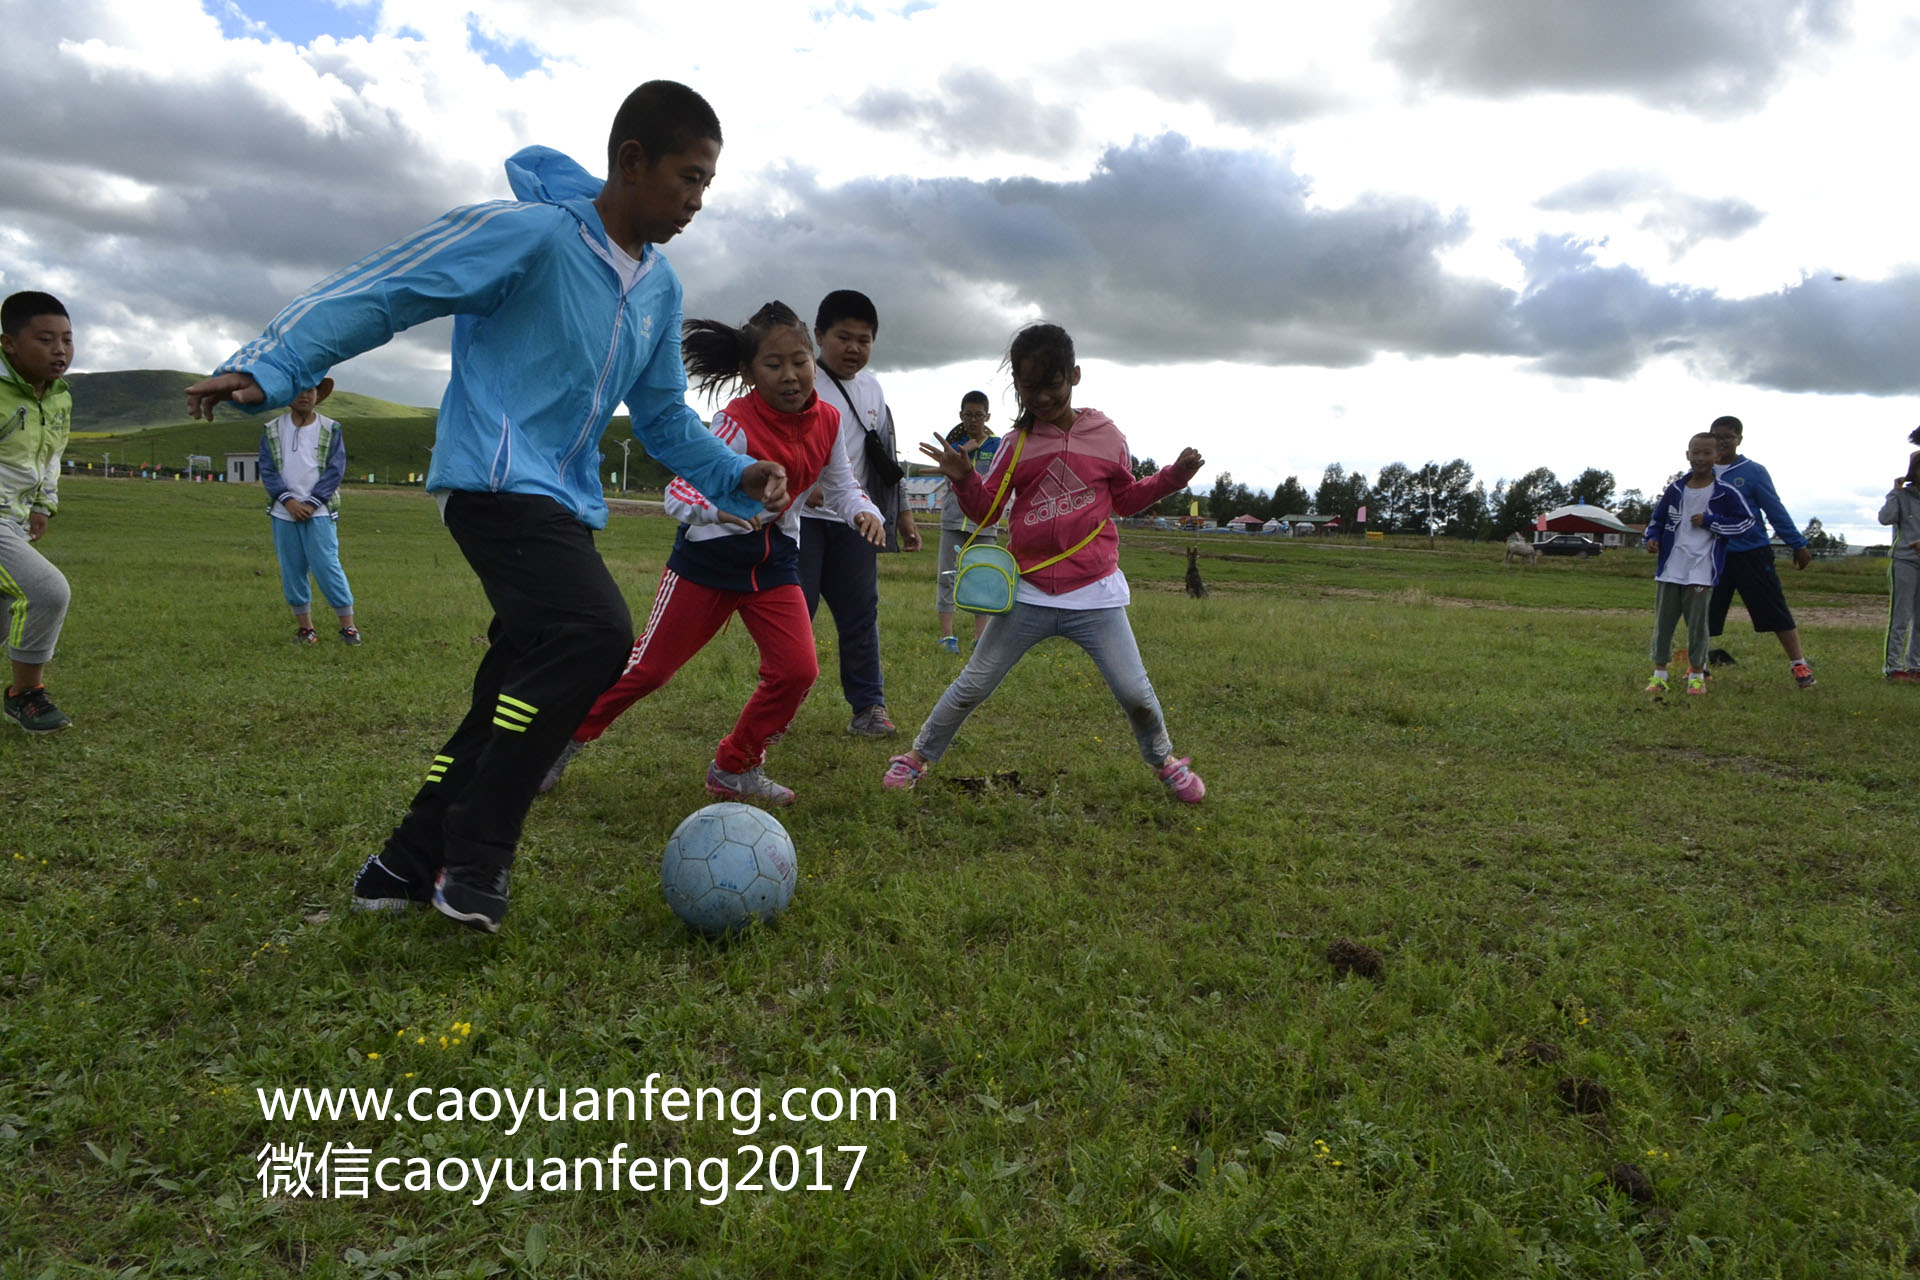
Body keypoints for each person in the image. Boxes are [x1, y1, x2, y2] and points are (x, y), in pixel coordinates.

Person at [185, 81, 788, 933]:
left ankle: (401, 863)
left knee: (512, 687)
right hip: (496, 484)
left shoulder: (657, 288)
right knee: (592, 633)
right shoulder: (534, 235)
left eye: (708, 186)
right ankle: (476, 855)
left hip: (563, 502)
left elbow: (660, 418)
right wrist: (276, 362)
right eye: (688, 178)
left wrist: (738, 473)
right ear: (631, 162)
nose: (697, 201)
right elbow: (394, 285)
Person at [539, 301, 883, 803]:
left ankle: (735, 767)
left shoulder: (828, 420)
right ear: (748, 372)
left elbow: (842, 484)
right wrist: (717, 511)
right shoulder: (733, 423)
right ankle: (556, 743)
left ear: (812, 359)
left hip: (774, 565)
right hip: (707, 564)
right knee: (647, 670)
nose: (790, 376)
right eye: (773, 365)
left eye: (799, 361)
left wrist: (863, 511)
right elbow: (679, 494)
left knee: (797, 671)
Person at [882, 323, 1208, 803]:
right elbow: (987, 513)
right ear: (1016, 384)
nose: (1040, 397)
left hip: (1095, 594)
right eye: (1027, 387)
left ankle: (1164, 761)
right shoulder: (1015, 444)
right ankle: (917, 756)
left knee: (1136, 695)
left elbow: (1127, 498)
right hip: (1028, 593)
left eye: (1051, 385)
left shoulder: (1107, 435)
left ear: (1074, 376)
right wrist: (964, 478)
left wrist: (1173, 477)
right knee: (973, 684)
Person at [799, 290, 920, 737]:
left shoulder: (872, 389)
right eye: (843, 337)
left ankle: (869, 708)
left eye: (864, 340)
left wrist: (901, 513)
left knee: (860, 615)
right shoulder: (801, 380)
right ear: (818, 336)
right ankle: (780, 704)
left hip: (855, 521)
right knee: (795, 615)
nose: (853, 349)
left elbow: (882, 458)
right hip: (802, 522)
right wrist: (805, 483)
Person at [0, 291, 75, 734]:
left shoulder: (60, 397)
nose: (60, 350)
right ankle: (25, 695)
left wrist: (45, 504)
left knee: (7, 603)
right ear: (8, 343)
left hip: (15, 516)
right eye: (45, 339)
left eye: (67, 339)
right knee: (47, 591)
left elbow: (52, 455)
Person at [1704, 415, 1817, 688]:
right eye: (1716, 437)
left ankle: (1799, 664)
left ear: (1739, 440)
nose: (1722, 442)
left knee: (1774, 610)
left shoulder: (1753, 472)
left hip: (1751, 552)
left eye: (1728, 437)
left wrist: (1798, 544)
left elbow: (1774, 509)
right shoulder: (1701, 472)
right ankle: (1699, 667)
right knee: (1703, 613)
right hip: (1712, 554)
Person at [1642, 432, 1756, 695]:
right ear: (1687, 455)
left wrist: (1710, 521)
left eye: (1707, 453)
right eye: (1696, 452)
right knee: (1664, 624)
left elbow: (1746, 522)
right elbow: (1656, 521)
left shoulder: (1725, 493)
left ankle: (1696, 675)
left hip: (1702, 570)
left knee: (1697, 626)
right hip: (1671, 569)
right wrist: (1652, 538)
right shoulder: (1675, 489)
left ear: (1717, 457)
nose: (1701, 458)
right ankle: (1659, 674)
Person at [259, 378, 359, 644]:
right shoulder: (272, 429)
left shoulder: (331, 428)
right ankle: (306, 628)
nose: (304, 395)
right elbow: (268, 469)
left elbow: (336, 469)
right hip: (284, 511)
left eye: (310, 390)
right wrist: (288, 501)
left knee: (327, 565)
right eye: (299, 390)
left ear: (318, 395)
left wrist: (313, 502)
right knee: (292, 568)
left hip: (320, 511)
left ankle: (348, 626)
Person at [930, 390, 1001, 654]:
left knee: (982, 579)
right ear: (961, 415)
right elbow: (948, 479)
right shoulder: (954, 443)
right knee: (947, 577)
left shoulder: (998, 445)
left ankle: (980, 637)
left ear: (988, 416)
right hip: (952, 520)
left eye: (979, 415)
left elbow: (999, 483)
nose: (973, 421)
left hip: (984, 524)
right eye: (968, 415)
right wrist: (962, 454)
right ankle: (947, 637)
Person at [1876, 439, 1920, 682]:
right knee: (1900, 616)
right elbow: (1885, 518)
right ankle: (1893, 667)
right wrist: (1894, 492)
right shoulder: (1903, 496)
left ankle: (1916, 665)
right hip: (1905, 560)